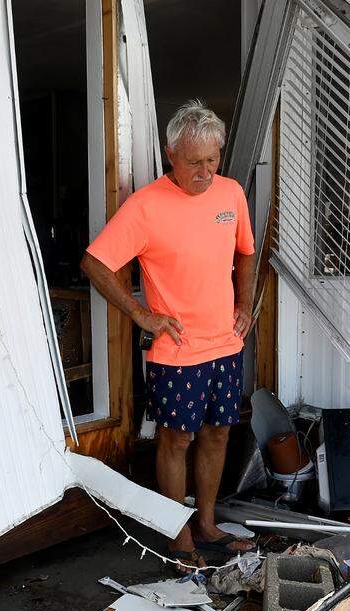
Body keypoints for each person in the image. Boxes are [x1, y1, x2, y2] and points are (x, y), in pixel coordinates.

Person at [81, 99, 258, 569]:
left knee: (219, 433)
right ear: (170, 155)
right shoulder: (146, 207)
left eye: (212, 160)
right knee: (176, 438)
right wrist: (141, 314)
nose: (205, 171)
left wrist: (244, 302)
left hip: (224, 344)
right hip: (177, 351)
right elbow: (95, 264)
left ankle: (206, 525)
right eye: (194, 161)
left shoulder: (231, 194)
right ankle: (178, 533)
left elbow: (246, 251)